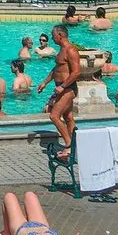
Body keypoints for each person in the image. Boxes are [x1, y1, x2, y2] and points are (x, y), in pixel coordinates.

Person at [36, 25, 79, 159]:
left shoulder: (70, 50)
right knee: (68, 117)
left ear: (60, 35)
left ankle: (68, 145)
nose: (52, 37)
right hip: (62, 87)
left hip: (67, 88)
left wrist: (63, 86)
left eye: (53, 35)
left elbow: (76, 72)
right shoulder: (62, 50)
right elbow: (57, 69)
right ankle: (74, 145)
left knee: (54, 116)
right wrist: (45, 82)